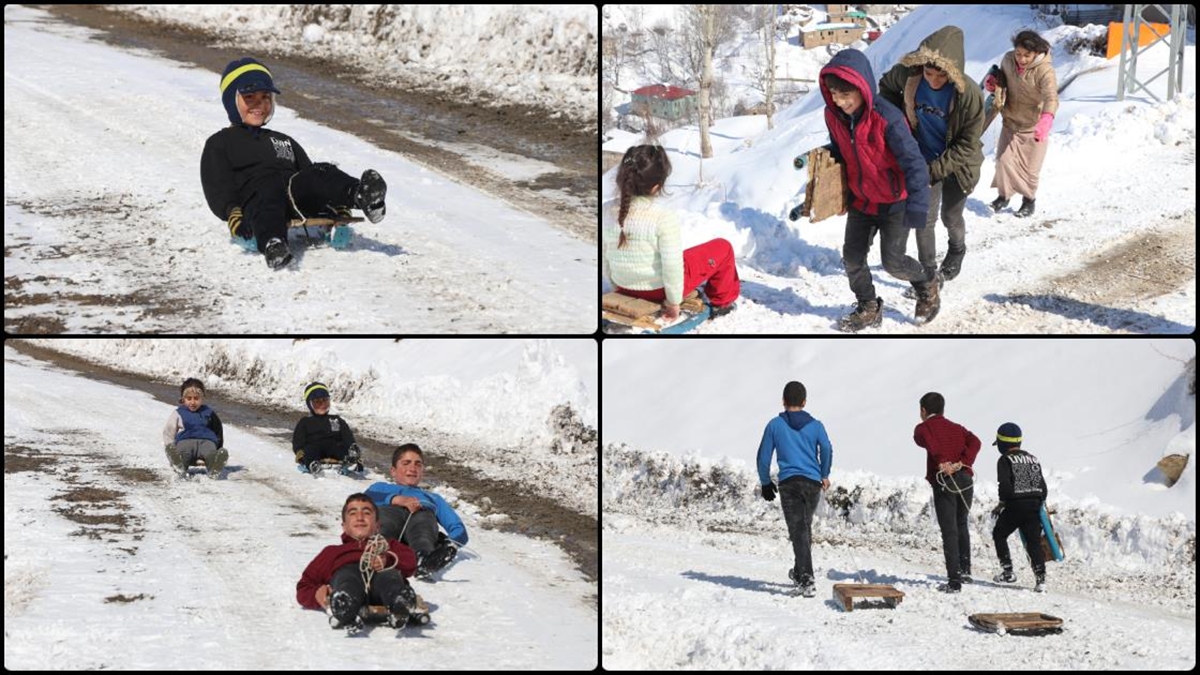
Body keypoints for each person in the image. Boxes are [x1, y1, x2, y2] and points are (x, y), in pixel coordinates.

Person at [201, 57, 388, 270]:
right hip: (258, 201)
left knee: (320, 171)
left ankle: (361, 195)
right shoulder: (221, 142)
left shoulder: (283, 139)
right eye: (249, 97)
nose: (259, 104)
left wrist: (337, 207)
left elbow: (309, 176)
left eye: (265, 97)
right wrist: (231, 211)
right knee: (268, 190)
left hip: (295, 197)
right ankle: (273, 243)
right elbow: (216, 184)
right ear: (231, 101)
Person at [816, 49, 938, 332]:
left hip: (895, 201)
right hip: (863, 200)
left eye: (846, 94)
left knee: (894, 263)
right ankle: (869, 306)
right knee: (852, 258)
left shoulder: (888, 118)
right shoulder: (832, 115)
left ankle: (927, 283)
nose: (839, 101)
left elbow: (915, 164)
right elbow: (844, 149)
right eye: (834, 93)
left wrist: (918, 208)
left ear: (862, 88)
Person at [877, 26, 984, 286]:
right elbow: (885, 89)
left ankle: (957, 248)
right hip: (923, 156)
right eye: (929, 73)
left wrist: (934, 170)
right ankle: (929, 275)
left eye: (941, 75)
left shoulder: (968, 95)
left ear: (953, 71)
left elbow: (967, 145)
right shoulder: (909, 75)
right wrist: (899, 125)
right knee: (924, 220)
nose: (934, 80)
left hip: (959, 165)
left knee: (951, 216)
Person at [602, 144, 740, 321]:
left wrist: (617, 287)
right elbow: (672, 266)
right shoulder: (663, 217)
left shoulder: (606, 210)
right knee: (722, 247)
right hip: (658, 291)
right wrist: (674, 303)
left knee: (679, 256)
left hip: (622, 285)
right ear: (656, 187)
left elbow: (605, 255)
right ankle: (722, 302)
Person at [296, 493, 420, 630]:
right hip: (349, 582)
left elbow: (411, 562)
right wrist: (317, 594)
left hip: (383, 586)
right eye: (352, 513)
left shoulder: (388, 545)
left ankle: (400, 602)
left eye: (367, 513)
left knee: (389, 576)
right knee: (347, 576)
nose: (360, 518)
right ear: (344, 526)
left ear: (377, 526)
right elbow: (304, 587)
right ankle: (345, 604)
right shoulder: (332, 552)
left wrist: (388, 559)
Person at [756, 381, 833, 598]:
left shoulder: (774, 425)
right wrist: (824, 473)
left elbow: (763, 456)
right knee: (803, 528)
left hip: (790, 483)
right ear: (804, 402)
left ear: (783, 401)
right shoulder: (816, 425)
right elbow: (826, 448)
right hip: (812, 483)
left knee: (798, 530)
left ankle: (806, 579)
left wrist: (765, 482)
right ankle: (799, 572)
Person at [984, 30, 1058, 218]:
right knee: (1003, 161)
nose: (1022, 59)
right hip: (1011, 121)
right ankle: (1004, 196)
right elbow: (1002, 80)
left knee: (1030, 169)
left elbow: (1051, 96)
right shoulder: (1008, 60)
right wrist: (993, 82)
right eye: (1019, 54)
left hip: (1034, 126)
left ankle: (1028, 200)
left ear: (1036, 53)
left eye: (1027, 55)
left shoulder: (1044, 70)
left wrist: (1047, 118)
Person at [365, 444, 467, 578]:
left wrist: (451, 543)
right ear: (393, 471)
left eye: (418, 464)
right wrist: (397, 499)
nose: (412, 468)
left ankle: (423, 559)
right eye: (406, 463)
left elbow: (458, 528)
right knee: (385, 519)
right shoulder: (381, 487)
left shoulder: (433, 498)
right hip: (389, 515)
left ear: (422, 471)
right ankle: (378, 553)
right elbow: (364, 501)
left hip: (419, 519)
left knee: (424, 523)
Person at [913, 391, 981, 592]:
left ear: (923, 410)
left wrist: (943, 461)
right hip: (965, 478)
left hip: (944, 481)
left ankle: (954, 581)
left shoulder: (923, 427)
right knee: (961, 523)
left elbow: (924, 440)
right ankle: (965, 570)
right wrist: (963, 462)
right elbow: (976, 442)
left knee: (949, 529)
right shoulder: (957, 428)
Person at [989, 422, 1049, 593]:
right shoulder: (1032, 458)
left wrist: (1002, 504)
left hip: (1015, 505)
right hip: (1034, 505)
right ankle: (1041, 579)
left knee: (999, 534)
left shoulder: (1005, 459)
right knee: (1033, 543)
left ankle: (1008, 571)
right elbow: (1043, 488)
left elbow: (1005, 486)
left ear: (1002, 443)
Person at [162, 378, 228, 479]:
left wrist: (218, 447)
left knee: (210, 452)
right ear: (183, 399)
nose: (193, 402)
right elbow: (169, 431)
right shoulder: (179, 413)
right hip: (186, 440)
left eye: (196, 398)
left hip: (206, 441)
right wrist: (170, 446)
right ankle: (179, 464)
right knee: (184, 452)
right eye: (189, 398)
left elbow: (218, 430)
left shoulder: (209, 412)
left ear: (202, 398)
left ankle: (214, 467)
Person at [292, 382, 362, 475]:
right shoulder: (305, 422)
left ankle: (351, 461)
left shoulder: (335, 420)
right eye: (317, 402)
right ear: (310, 405)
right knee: (308, 451)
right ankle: (312, 464)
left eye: (325, 401)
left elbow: (346, 435)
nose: (322, 405)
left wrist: (351, 445)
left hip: (333, 447)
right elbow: (298, 440)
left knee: (339, 447)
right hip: (314, 448)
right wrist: (299, 452)